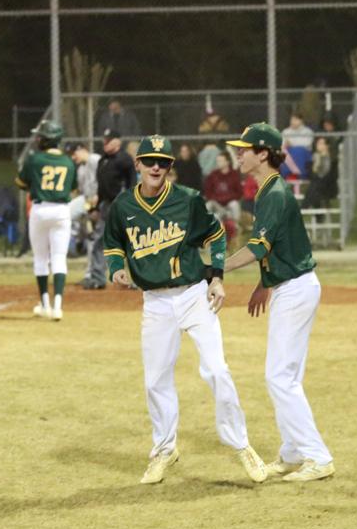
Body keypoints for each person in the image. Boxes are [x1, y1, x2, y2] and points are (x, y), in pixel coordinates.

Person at [103, 134, 268, 486]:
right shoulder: (123, 206)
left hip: (194, 294)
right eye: (150, 161)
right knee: (156, 380)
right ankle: (164, 449)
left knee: (217, 370)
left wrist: (218, 278)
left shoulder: (188, 200)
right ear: (137, 165)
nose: (157, 167)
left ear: (171, 167)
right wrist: (117, 267)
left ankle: (242, 445)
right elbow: (114, 242)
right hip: (155, 302)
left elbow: (216, 235)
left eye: (163, 162)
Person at [223, 123, 334, 482]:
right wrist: (264, 282)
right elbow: (277, 248)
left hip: (297, 288)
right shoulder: (268, 190)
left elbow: (258, 247)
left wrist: (215, 265)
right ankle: (292, 453)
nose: (238, 154)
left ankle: (318, 457)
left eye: (244, 149)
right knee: (288, 376)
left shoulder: (274, 193)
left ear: (263, 154)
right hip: (290, 284)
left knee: (279, 377)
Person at [16, 121, 77, 321]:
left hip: (40, 210)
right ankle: (58, 306)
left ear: (47, 139)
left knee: (41, 258)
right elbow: (73, 189)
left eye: (40, 136)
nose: (38, 139)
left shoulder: (35, 159)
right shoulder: (69, 162)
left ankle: (45, 304)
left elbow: (21, 182)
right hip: (61, 210)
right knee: (59, 257)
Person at [84, 129, 137, 289]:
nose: (105, 143)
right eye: (104, 140)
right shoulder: (103, 160)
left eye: (109, 140)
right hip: (106, 206)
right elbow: (101, 187)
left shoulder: (125, 160)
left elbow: (132, 184)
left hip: (122, 205)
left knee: (132, 242)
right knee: (100, 240)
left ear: (117, 142)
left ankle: (137, 279)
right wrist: (96, 206)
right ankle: (98, 279)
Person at [204, 150, 243, 237]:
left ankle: (235, 225)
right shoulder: (213, 175)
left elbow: (239, 192)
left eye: (221, 161)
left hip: (229, 202)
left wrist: (227, 197)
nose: (218, 163)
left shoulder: (234, 174)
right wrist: (216, 199)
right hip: (216, 203)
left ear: (227, 162)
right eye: (217, 161)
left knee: (234, 204)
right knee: (207, 205)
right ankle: (206, 230)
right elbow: (208, 192)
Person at [302, 135, 338, 210]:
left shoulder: (333, 160)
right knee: (315, 188)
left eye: (321, 143)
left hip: (328, 187)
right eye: (318, 143)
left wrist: (324, 157)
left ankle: (303, 208)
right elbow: (310, 176)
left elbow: (333, 177)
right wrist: (316, 164)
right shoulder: (313, 159)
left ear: (327, 146)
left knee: (314, 187)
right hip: (316, 187)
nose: (319, 145)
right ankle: (318, 216)